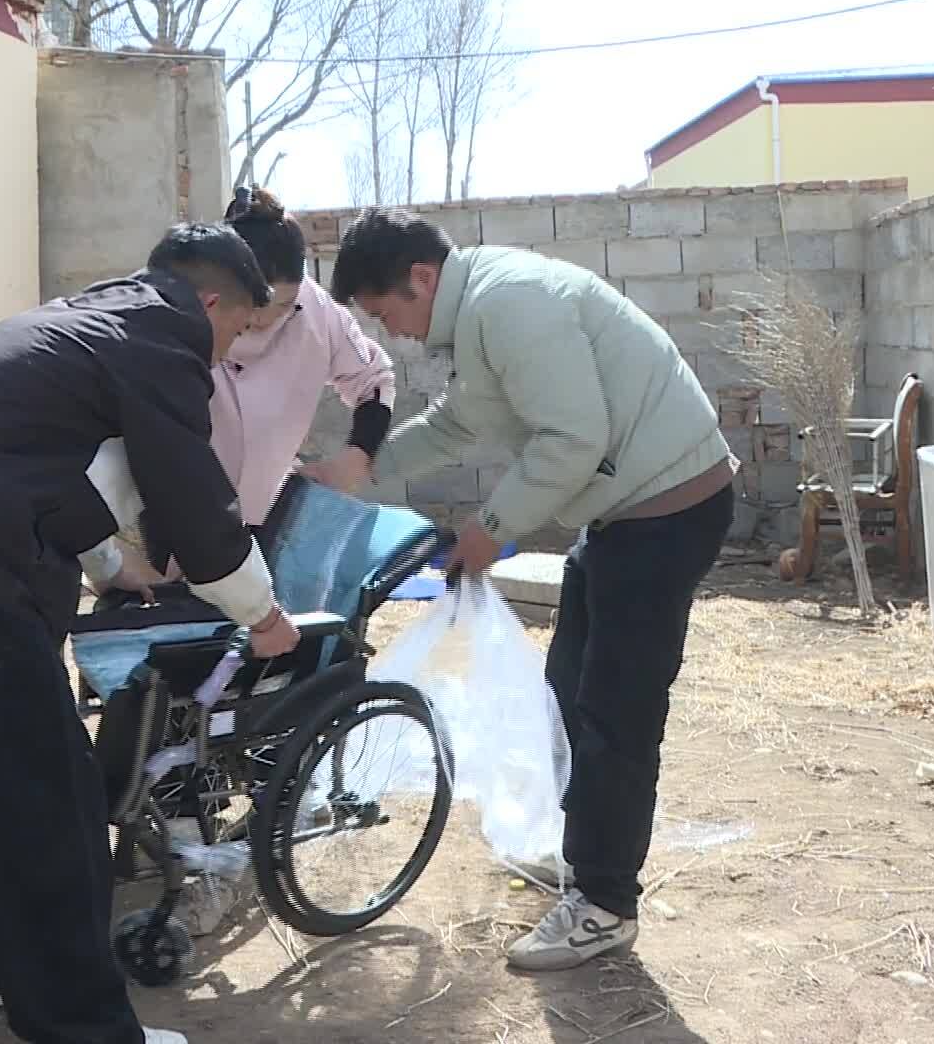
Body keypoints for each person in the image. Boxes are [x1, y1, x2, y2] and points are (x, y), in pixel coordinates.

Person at [0, 223, 304, 1044]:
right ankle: (84, 1029)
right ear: (209, 302)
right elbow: (196, 502)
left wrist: (109, 566)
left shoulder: (80, 320)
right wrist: (262, 613)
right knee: (50, 804)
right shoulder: (163, 337)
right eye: (238, 328)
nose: (230, 350)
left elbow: (39, 459)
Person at [314, 207, 736, 973]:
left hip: (664, 509)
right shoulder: (479, 313)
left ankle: (605, 903)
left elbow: (573, 438)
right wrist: (365, 468)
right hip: (624, 512)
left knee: (614, 713)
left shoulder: (506, 303)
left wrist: (493, 527)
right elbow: (454, 425)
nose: (391, 334)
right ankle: (584, 858)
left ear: (420, 278)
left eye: (384, 313)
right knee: (568, 691)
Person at [122, 187, 395, 582]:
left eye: (283, 306)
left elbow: (374, 380)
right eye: (257, 304)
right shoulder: (176, 310)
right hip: (176, 509)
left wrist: (356, 458)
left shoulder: (319, 313)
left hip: (271, 512)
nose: (263, 321)